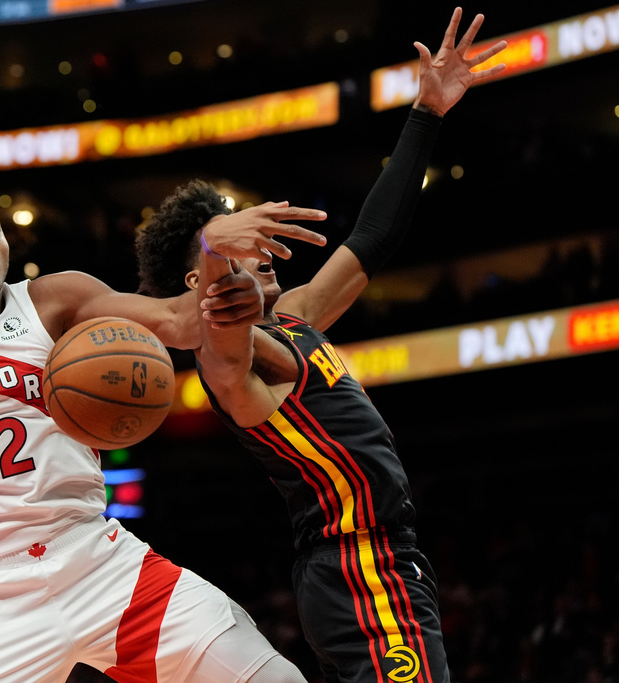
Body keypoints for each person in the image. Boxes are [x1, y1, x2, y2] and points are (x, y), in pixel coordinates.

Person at [0, 173, 330, 682]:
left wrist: (216, 263)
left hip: (99, 560)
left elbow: (176, 321)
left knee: (275, 676)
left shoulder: (55, 301)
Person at [135, 9, 507, 683]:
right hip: (360, 564)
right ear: (202, 277)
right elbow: (220, 323)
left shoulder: (299, 316)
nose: (261, 250)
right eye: (242, 245)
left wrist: (425, 113)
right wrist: (221, 245)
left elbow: (373, 239)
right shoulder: (233, 360)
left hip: (371, 563)